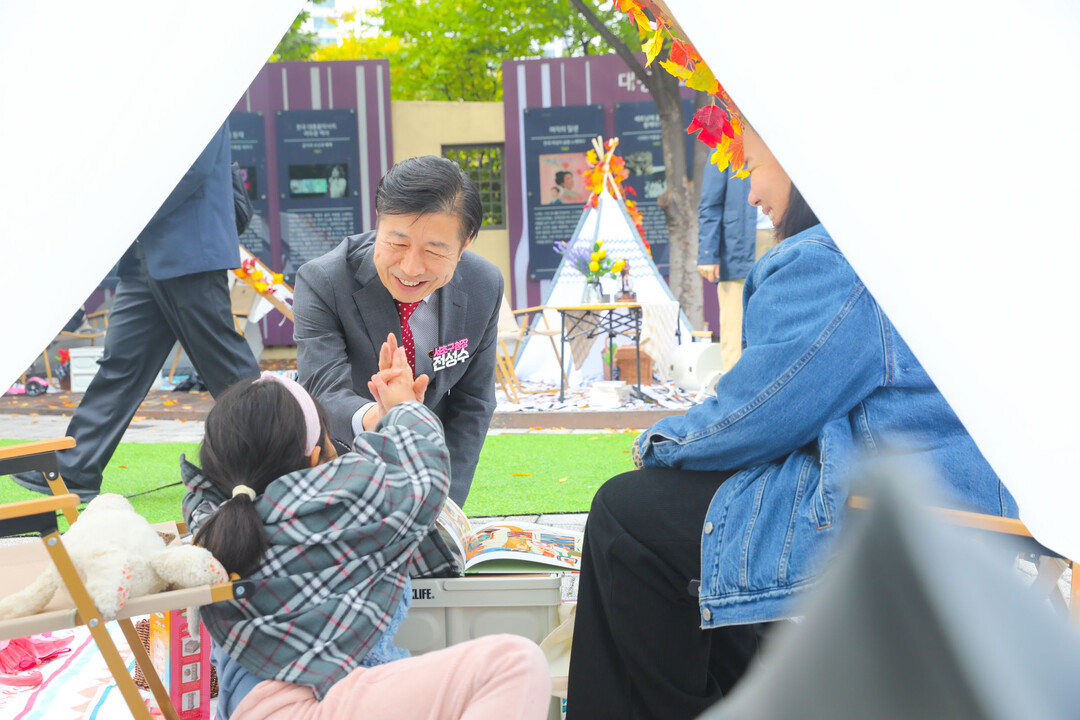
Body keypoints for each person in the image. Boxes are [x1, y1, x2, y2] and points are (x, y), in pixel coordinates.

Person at [564, 124, 1019, 720]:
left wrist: (657, 444)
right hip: (964, 502)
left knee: (626, 512)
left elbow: (757, 413)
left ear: (802, 162)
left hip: (901, 514)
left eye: (754, 167)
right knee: (694, 525)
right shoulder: (902, 243)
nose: (751, 192)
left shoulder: (833, 261)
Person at [181, 359, 550, 720]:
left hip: (249, 703)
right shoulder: (338, 505)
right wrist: (404, 406)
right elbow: (420, 469)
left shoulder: (213, 520)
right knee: (515, 663)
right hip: (312, 704)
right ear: (315, 458)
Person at [10, 122, 260, 502]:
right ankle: (75, 470)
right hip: (146, 253)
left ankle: (281, 459)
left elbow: (192, 169)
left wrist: (127, 210)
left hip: (188, 251)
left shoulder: (196, 92)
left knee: (227, 368)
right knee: (120, 365)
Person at [293, 155, 503, 505]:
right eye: (398, 244)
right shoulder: (324, 281)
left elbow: (474, 403)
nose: (411, 268)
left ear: (464, 243)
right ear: (379, 221)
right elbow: (322, 390)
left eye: (434, 250)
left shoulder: (484, 284)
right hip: (339, 472)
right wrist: (387, 416)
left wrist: (442, 502)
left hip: (430, 472)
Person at [696, 162, 777, 371]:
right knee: (735, 324)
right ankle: (734, 384)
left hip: (786, 234)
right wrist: (707, 253)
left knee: (781, 320)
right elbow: (710, 204)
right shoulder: (726, 145)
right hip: (737, 243)